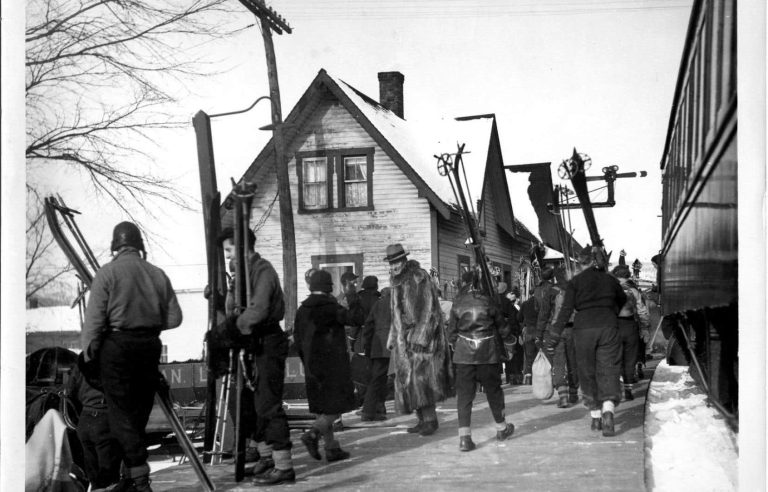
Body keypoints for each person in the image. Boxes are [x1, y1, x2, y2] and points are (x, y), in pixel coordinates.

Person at [82, 221, 183, 491]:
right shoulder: (158, 274)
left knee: (121, 415)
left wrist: (90, 355)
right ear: (140, 247)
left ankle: (138, 478)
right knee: (139, 412)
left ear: (116, 247)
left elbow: (92, 324)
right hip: (149, 347)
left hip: (117, 349)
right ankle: (130, 477)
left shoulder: (107, 274)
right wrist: (147, 321)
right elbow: (175, 318)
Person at [220, 227, 295, 486]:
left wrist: (234, 327)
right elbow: (236, 308)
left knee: (267, 403)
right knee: (252, 404)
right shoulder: (240, 275)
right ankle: (267, 457)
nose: (228, 256)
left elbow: (259, 308)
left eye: (230, 250)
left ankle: (284, 465)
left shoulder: (262, 270)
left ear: (242, 248)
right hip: (250, 341)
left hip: (267, 340)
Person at [546, 246, 626, 437]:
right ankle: (608, 410)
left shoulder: (576, 282)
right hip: (608, 326)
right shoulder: (610, 279)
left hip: (583, 329)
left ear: (583, 263)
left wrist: (554, 335)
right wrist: (609, 312)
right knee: (609, 368)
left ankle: (596, 417)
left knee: (586, 370)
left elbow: (565, 310)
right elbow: (622, 300)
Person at [385, 243, 453, 436]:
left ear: (404, 260)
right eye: (391, 263)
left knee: (422, 380)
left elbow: (429, 309)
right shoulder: (395, 280)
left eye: (397, 261)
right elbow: (396, 313)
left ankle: (430, 420)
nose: (394, 266)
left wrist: (420, 337)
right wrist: (393, 336)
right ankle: (421, 419)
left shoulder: (418, 277)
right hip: (404, 340)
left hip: (422, 339)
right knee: (409, 382)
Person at [294, 270, 360, 463]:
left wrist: (307, 361)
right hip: (334, 367)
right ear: (329, 287)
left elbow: (297, 340)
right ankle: (313, 434)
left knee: (322, 408)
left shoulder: (302, 310)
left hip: (311, 368)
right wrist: (351, 295)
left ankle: (331, 448)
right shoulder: (331, 307)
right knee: (336, 407)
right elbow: (356, 319)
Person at [447, 270, 515, 452]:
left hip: (464, 355)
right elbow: (502, 327)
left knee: (464, 396)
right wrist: (510, 343)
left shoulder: (458, 302)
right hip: (487, 353)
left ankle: (464, 438)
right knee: (493, 391)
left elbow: (451, 333)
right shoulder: (488, 301)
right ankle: (501, 428)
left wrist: (458, 344)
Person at [66, 354, 122, 490]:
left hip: (85, 421)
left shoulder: (83, 357)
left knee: (93, 474)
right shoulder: (114, 355)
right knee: (109, 477)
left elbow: (70, 391)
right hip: (105, 419)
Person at [534, 266, 578, 408]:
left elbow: (543, 314)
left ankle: (563, 397)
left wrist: (539, 334)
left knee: (558, 363)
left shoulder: (551, 291)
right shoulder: (575, 290)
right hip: (573, 330)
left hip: (554, 331)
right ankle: (573, 393)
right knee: (573, 362)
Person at [611, 265, 651, 400]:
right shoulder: (634, 291)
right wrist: (645, 328)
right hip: (630, 327)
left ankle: (617, 387)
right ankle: (628, 389)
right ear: (628, 276)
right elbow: (642, 311)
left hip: (614, 327)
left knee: (615, 358)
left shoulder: (610, 290)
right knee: (630, 359)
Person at [360, 287, 393, 421]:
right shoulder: (395, 304)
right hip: (390, 345)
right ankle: (368, 411)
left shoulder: (378, 304)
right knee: (379, 379)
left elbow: (368, 325)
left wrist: (366, 345)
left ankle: (379, 409)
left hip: (377, 346)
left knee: (379, 377)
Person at [517, 294, 539, 385]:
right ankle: (540, 376)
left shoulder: (525, 304)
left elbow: (519, 318)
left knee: (529, 356)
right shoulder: (541, 302)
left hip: (529, 331)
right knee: (541, 354)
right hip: (539, 330)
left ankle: (529, 379)